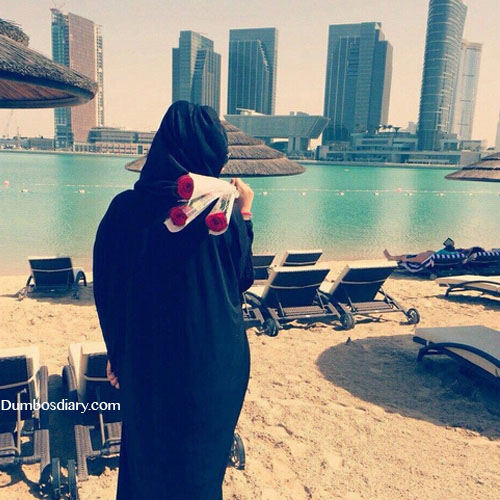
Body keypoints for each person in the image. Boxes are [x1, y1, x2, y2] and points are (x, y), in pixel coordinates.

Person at [93, 101, 255, 500]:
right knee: (200, 471)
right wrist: (246, 213)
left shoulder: (124, 210)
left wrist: (118, 352)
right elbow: (242, 281)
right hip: (214, 364)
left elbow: (108, 287)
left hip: (148, 363)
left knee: (147, 463)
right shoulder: (224, 212)